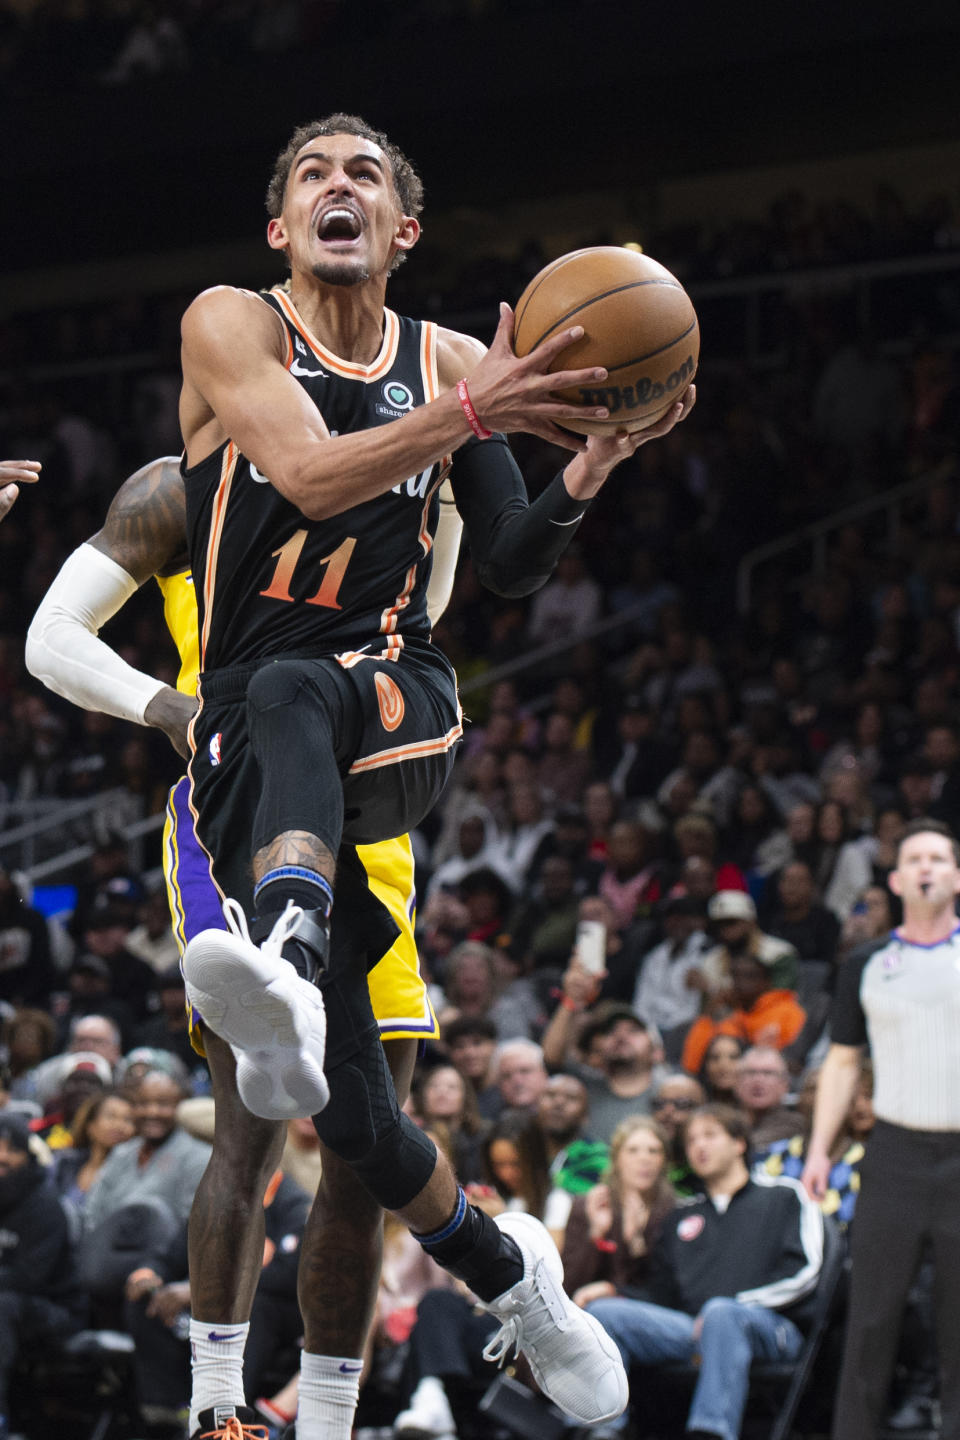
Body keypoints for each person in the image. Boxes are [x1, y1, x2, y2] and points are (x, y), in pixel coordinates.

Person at [25, 112, 693, 1438]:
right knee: (364, 1128)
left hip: (398, 710)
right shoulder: (232, 328)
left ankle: (285, 938)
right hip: (243, 774)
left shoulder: (449, 357)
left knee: (289, 683)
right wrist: (468, 414)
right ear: (281, 227)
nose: (342, 189)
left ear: (405, 231)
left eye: (367, 177)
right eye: (314, 177)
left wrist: (586, 471)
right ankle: (517, 1282)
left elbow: (504, 560)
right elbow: (317, 477)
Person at [802, 818, 960, 1439]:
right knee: (872, 1320)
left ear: (956, 876)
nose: (926, 868)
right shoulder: (867, 962)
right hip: (892, 1154)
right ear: (895, 879)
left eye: (938, 859)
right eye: (914, 859)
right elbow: (842, 1061)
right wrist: (819, 1148)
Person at [585, 1104, 824, 1440]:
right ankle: (602, 1431)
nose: (699, 1146)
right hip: (694, 1329)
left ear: (740, 1143)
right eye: (692, 1139)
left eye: (710, 1135)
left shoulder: (783, 1195)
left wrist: (735, 1305)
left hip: (772, 1327)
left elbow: (807, 1273)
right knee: (603, 1314)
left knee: (721, 1313)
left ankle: (710, 1433)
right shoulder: (681, 1215)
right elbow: (661, 1293)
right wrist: (615, 1290)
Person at [0, 1112, 85, 1436]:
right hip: (13, 1306)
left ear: (28, 1156)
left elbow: (29, 1277)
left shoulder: (44, 1205)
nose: (2, 1157)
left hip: (57, 1310)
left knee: (3, 1306)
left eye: (12, 1149)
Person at [562, 1115, 675, 1311]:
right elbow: (568, 1286)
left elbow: (667, 1291)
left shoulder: (673, 1211)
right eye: (633, 1150)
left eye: (654, 1151)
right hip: (585, 1312)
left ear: (663, 1160)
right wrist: (597, 1235)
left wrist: (637, 1244)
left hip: (646, 1312)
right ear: (616, 1158)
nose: (644, 1158)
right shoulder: (588, 1206)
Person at [733, 1045, 804, 1152]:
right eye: (751, 1072)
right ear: (737, 1082)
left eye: (768, 1073)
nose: (758, 1080)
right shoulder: (726, 1121)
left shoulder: (795, 1124)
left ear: (784, 1084)